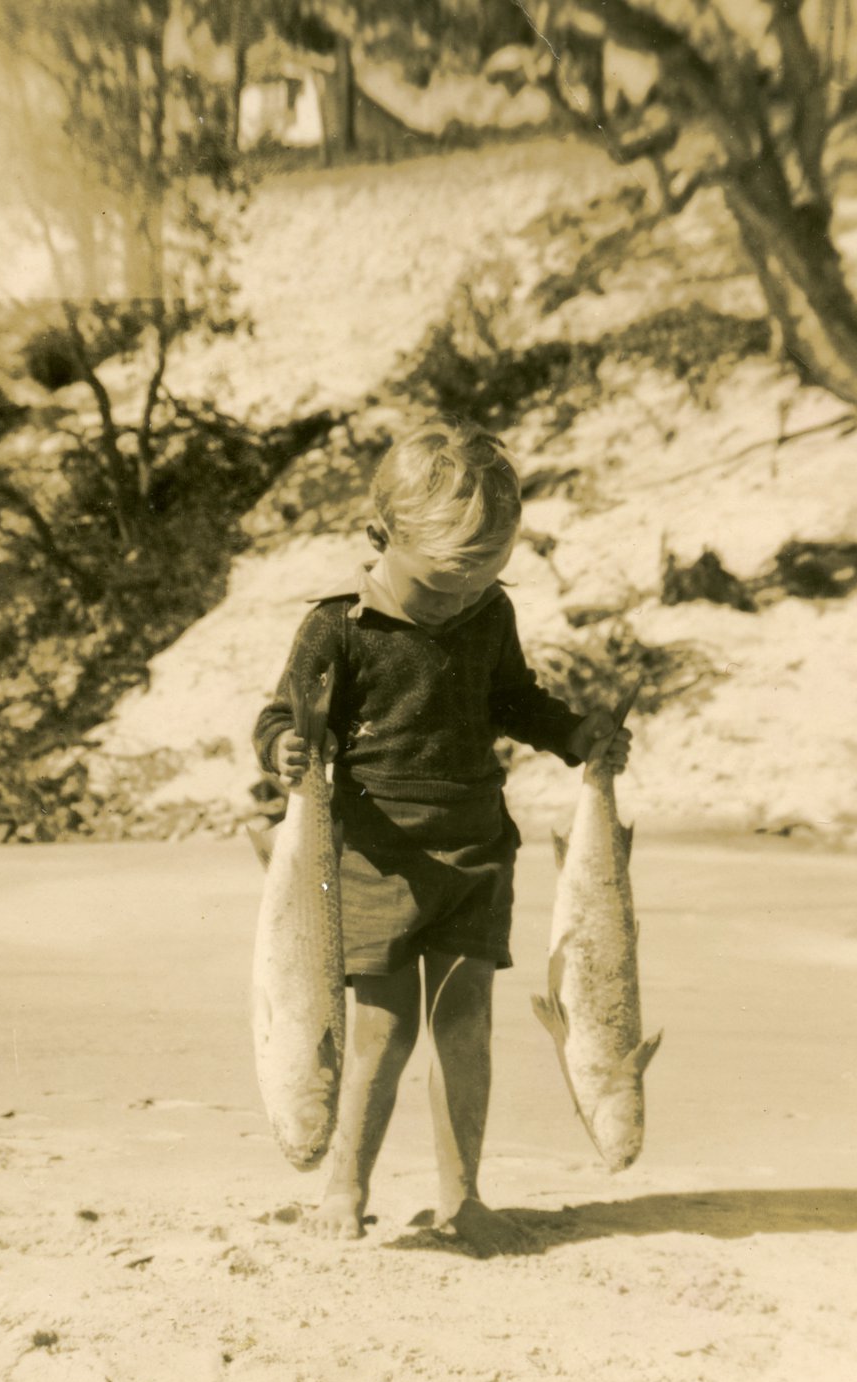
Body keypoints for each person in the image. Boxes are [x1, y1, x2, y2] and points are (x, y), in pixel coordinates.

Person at [252, 419, 631, 1252]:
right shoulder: (338, 626)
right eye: (444, 583)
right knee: (381, 1035)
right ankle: (343, 1186)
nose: (461, 600)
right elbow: (284, 713)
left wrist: (574, 736)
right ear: (381, 535)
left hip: (474, 853)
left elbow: (515, 698)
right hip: (374, 860)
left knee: (466, 1029)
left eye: (481, 580)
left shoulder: (489, 612)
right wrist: (282, 744)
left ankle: (464, 1197)